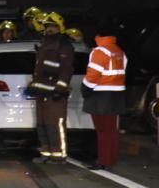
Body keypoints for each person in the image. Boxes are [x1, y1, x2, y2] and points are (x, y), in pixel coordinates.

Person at [25, 12, 74, 163]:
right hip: (42, 94)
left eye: (53, 26)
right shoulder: (44, 44)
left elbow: (66, 70)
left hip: (55, 94)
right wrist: (34, 86)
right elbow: (39, 72)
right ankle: (46, 153)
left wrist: (60, 89)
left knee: (55, 126)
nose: (49, 29)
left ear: (60, 28)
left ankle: (59, 156)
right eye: (47, 26)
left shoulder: (64, 46)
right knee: (42, 125)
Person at [81, 21, 127, 170]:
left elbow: (93, 75)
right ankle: (111, 159)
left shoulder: (100, 51)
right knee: (112, 129)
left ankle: (103, 161)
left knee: (102, 131)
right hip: (117, 94)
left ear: (99, 36)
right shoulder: (119, 51)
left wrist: (85, 88)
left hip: (101, 95)